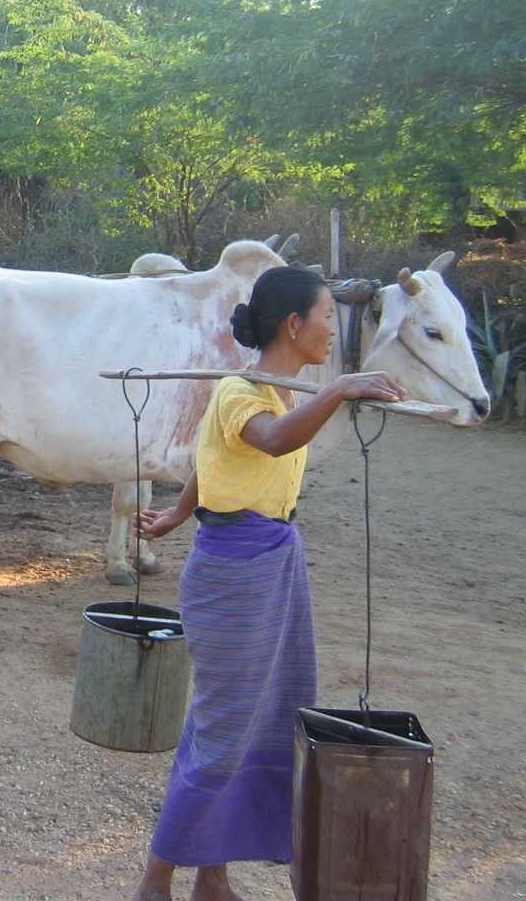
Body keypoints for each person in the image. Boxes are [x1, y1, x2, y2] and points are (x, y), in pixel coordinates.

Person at [129, 266, 407, 901]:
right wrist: (338, 392)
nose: (334, 330)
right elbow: (270, 442)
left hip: (274, 557)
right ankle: (154, 881)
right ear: (293, 325)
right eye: (329, 316)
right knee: (225, 727)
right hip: (234, 567)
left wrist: (177, 511)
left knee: (258, 720)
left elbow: (216, 459)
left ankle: (213, 877)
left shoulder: (277, 391)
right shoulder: (240, 391)